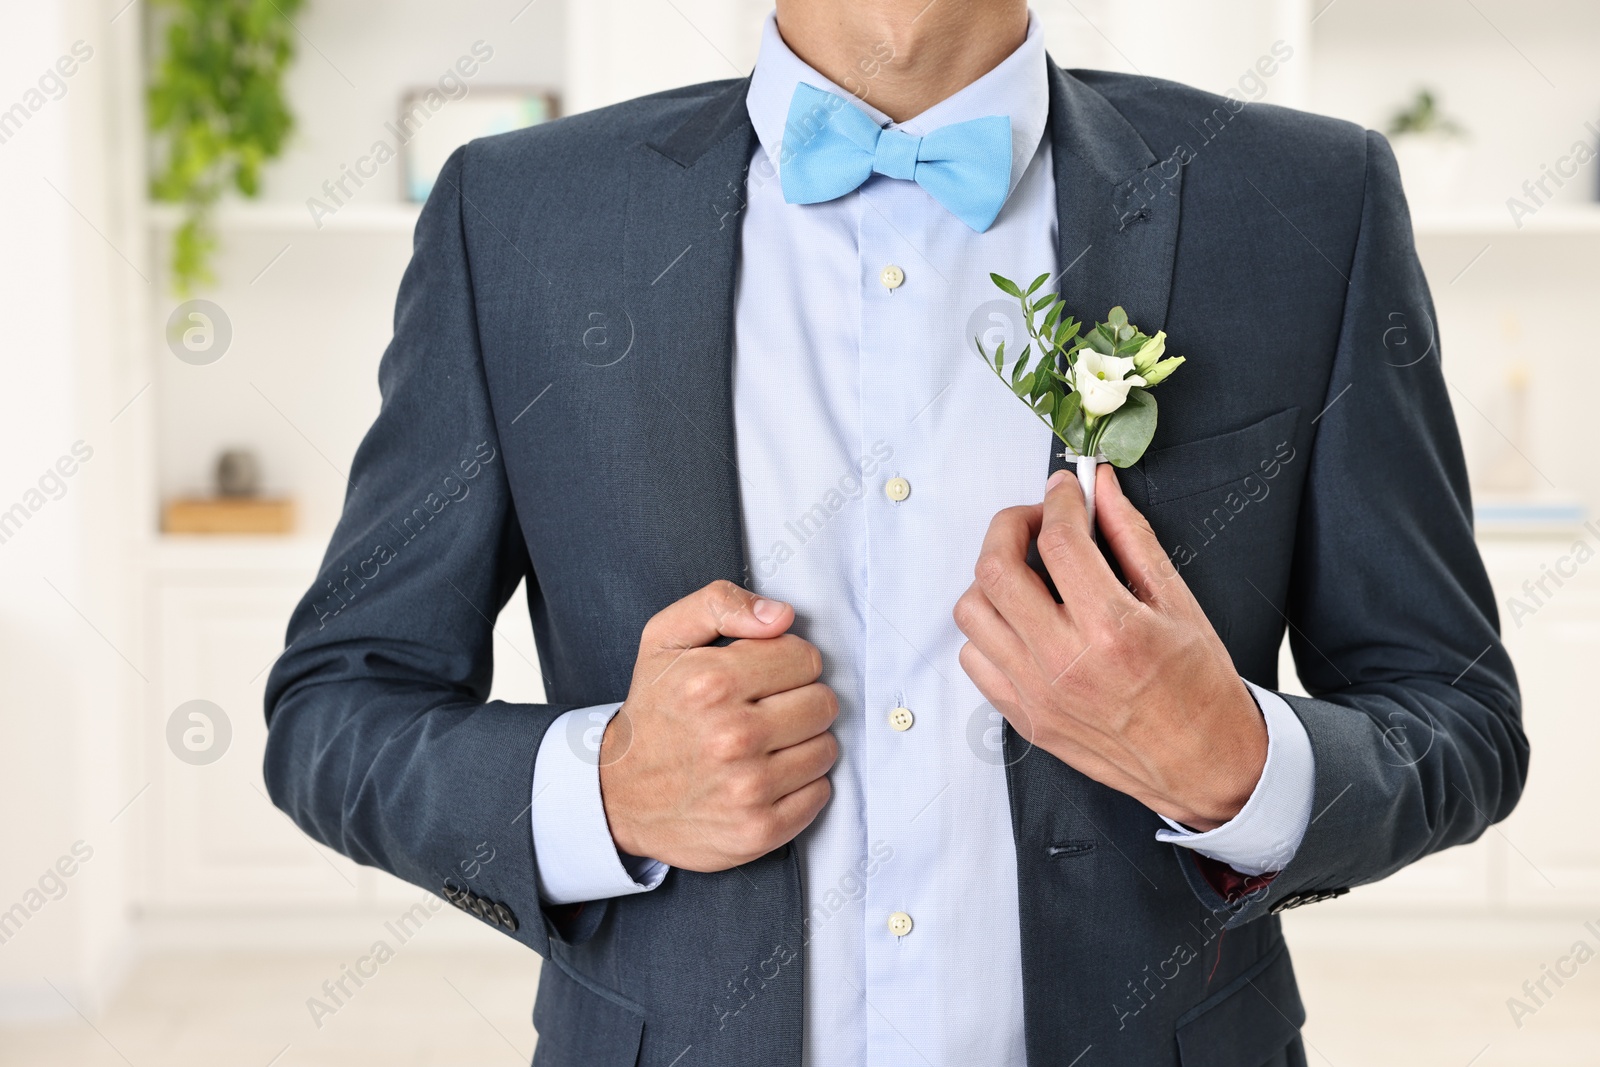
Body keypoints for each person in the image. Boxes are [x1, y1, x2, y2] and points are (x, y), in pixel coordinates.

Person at [263, 2, 1527, 1064]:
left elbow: (1456, 718)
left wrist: (1238, 765)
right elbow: (337, 710)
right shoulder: (520, 217)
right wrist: (606, 790)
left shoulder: (1307, 200)